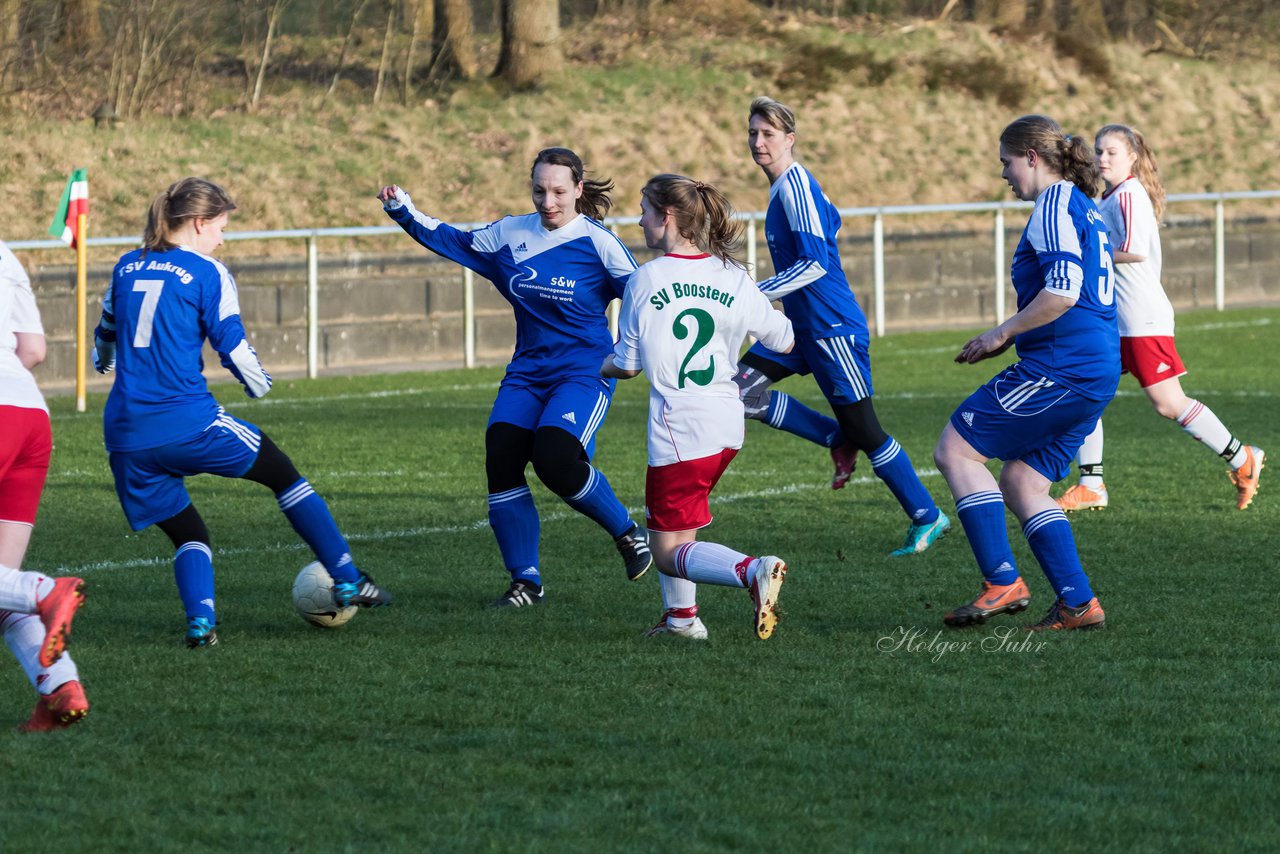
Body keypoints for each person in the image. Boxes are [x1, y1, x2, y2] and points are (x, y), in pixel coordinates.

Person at [93, 177, 391, 649]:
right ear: (198, 223)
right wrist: (259, 385)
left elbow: (106, 330)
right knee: (284, 475)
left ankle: (201, 624)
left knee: (188, 531)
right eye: (222, 227)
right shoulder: (209, 272)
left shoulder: (127, 265)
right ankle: (349, 578)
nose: (223, 238)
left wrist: (102, 360)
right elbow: (232, 345)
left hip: (126, 437)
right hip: (189, 422)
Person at [378, 147, 652, 608]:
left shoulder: (598, 243)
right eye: (539, 190)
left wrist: (636, 350)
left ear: (579, 190)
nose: (548, 201)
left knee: (555, 459)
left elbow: (647, 296)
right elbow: (452, 241)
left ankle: (627, 532)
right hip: (527, 372)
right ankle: (526, 581)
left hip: (584, 371)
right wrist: (402, 210)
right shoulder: (509, 234)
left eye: (560, 191)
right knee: (501, 456)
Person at [733, 96, 949, 556]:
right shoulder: (789, 188)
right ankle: (837, 436)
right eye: (753, 133)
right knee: (739, 391)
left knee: (868, 431)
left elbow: (814, 263)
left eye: (768, 134)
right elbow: (833, 222)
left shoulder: (794, 187)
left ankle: (927, 515)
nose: (758, 142)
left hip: (831, 327)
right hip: (801, 325)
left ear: (790, 139)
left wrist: (755, 292)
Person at [935, 115, 1117, 632]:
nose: (1005, 175)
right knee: (1023, 482)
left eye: (1006, 163)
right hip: (1095, 367)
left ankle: (1002, 581)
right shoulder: (1083, 206)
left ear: (1032, 159)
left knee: (955, 449)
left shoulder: (1054, 203)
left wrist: (1002, 333)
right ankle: (1078, 604)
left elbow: (1063, 288)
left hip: (1063, 366)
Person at [603, 174, 794, 640]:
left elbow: (626, 365)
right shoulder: (733, 275)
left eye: (645, 210)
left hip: (680, 428)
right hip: (728, 424)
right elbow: (784, 339)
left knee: (665, 549)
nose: (640, 220)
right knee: (677, 526)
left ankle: (753, 570)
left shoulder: (647, 279)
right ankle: (682, 621)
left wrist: (590, 365)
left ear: (667, 217)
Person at [1056, 123, 1264, 512]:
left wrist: (1083, 255)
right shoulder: (1111, 196)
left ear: (1132, 157)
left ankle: (1243, 458)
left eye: (1111, 152)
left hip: (1140, 318)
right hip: (1115, 319)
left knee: (1169, 404)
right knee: (1084, 389)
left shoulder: (1129, 196)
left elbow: (1133, 251)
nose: (1102, 158)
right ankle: (1091, 484)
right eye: (1099, 151)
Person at [0, 238, 90, 731]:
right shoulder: (5, 252)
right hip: (28, 413)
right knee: (0, 588)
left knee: (17, 588)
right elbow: (32, 350)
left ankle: (44, 591)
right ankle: (59, 687)